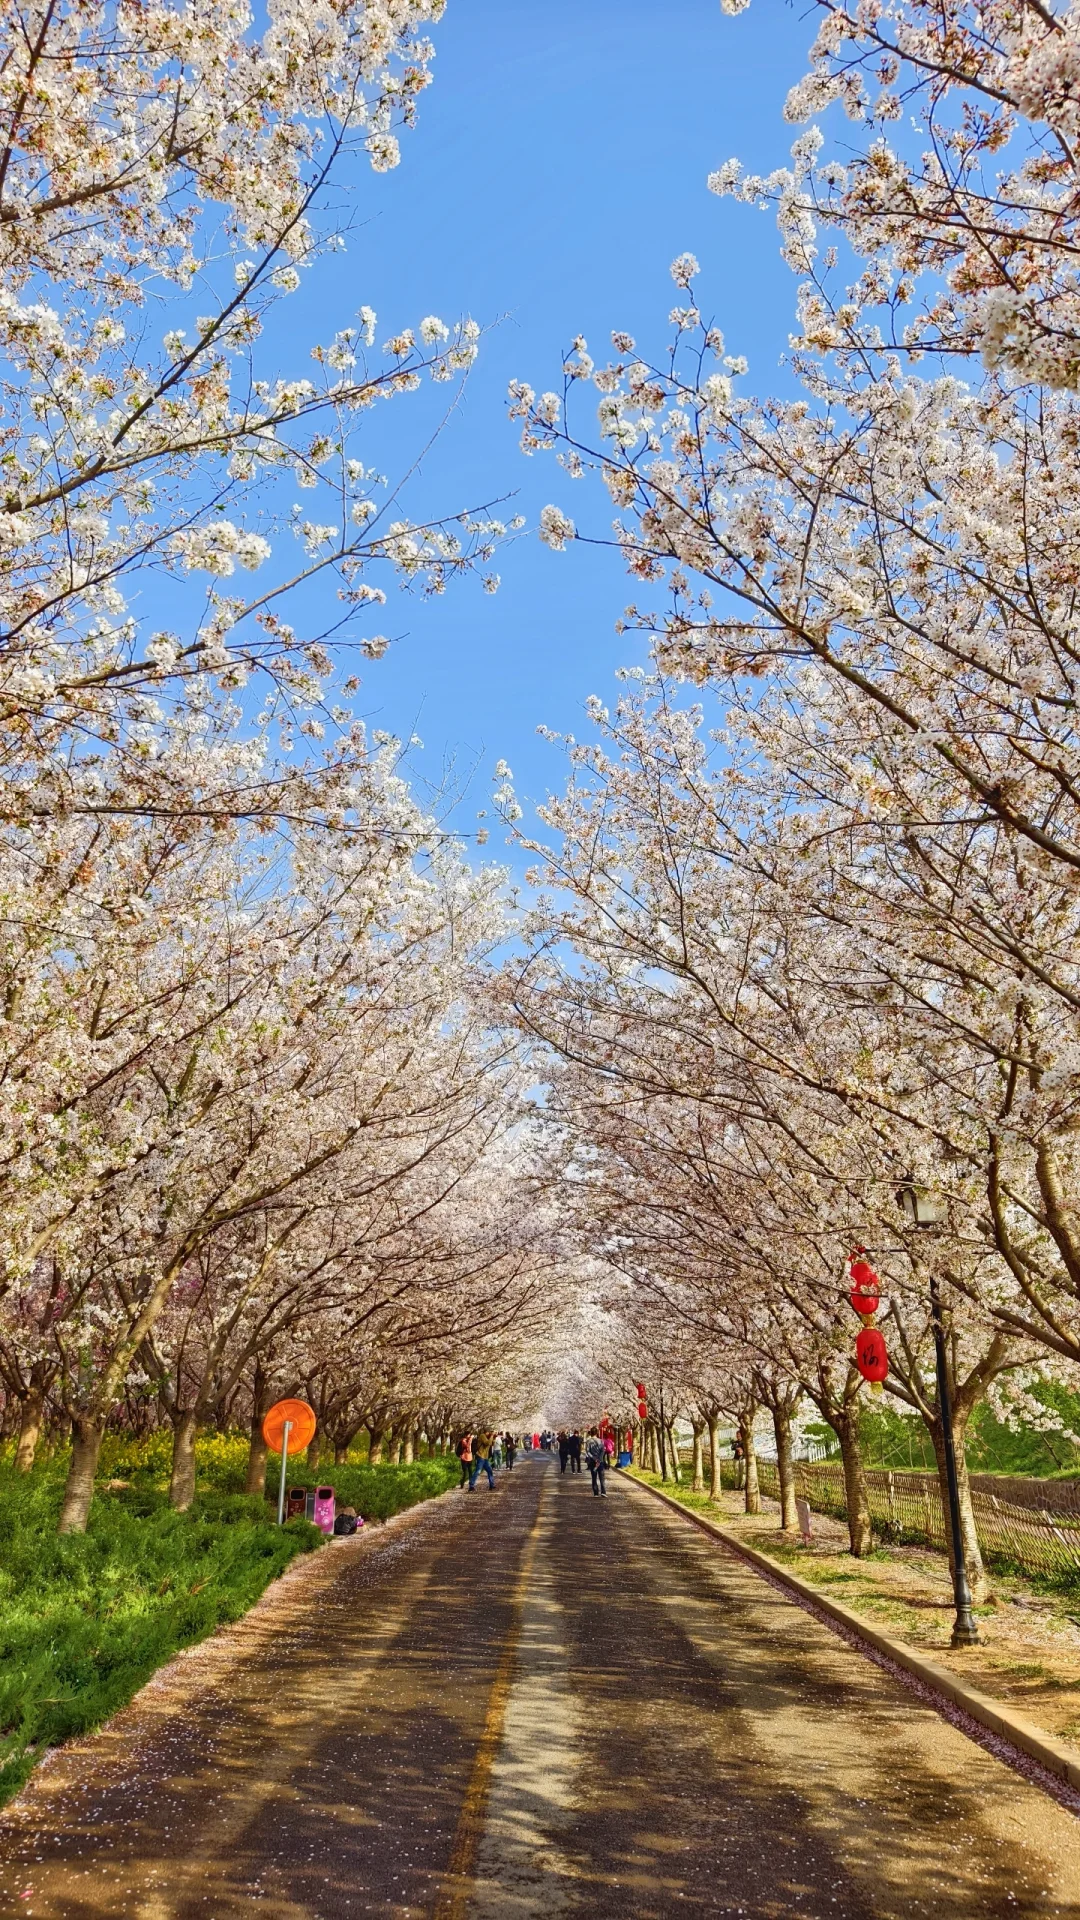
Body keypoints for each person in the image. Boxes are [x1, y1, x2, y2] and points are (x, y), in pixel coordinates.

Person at [585, 1428, 607, 1496]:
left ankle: (596, 1493)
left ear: (591, 1433)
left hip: (592, 1461)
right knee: (602, 1477)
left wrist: (594, 1458)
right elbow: (603, 1451)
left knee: (594, 1477)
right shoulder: (600, 1441)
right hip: (600, 1462)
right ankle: (603, 1492)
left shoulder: (588, 1441)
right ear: (597, 1433)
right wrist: (599, 1459)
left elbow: (588, 1451)